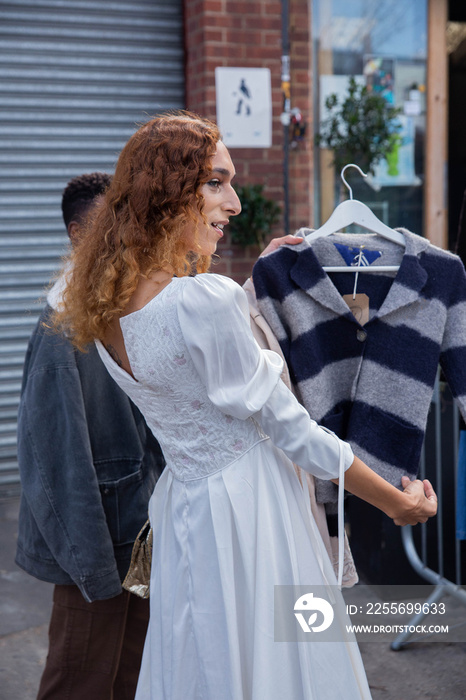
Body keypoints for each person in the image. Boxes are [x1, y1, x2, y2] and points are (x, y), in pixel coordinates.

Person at [52, 113, 437, 700]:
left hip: (190, 513)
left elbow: (191, 364)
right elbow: (292, 428)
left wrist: (248, 289)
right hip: (252, 513)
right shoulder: (202, 301)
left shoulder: (103, 307)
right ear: (166, 192)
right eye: (215, 182)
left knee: (211, 664)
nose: (233, 202)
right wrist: (393, 502)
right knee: (282, 671)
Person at [15, 172, 166, 700]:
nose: (132, 232)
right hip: (96, 548)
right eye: (115, 221)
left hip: (141, 537)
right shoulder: (63, 326)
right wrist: (93, 570)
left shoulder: (125, 305)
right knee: (80, 679)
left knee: (132, 675)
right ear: (81, 235)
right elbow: (55, 465)